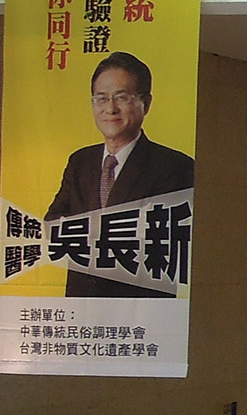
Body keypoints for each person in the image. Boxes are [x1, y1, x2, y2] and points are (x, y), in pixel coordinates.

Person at [45, 51, 196, 298]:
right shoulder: (80, 161)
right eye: (101, 98)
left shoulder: (175, 166)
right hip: (82, 304)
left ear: (146, 103)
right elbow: (52, 223)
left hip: (140, 307)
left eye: (122, 97)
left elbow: (160, 238)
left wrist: (80, 230)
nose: (110, 108)